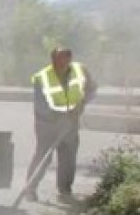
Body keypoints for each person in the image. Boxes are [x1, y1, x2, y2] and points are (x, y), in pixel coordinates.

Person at [23, 47, 98, 204]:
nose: (62, 62)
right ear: (52, 60)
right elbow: (41, 104)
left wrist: (82, 103)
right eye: (58, 59)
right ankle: (30, 189)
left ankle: (65, 190)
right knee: (43, 155)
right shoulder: (42, 77)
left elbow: (91, 89)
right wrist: (58, 117)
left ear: (70, 58)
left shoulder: (80, 70)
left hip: (71, 123)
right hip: (47, 124)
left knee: (68, 157)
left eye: (65, 58)